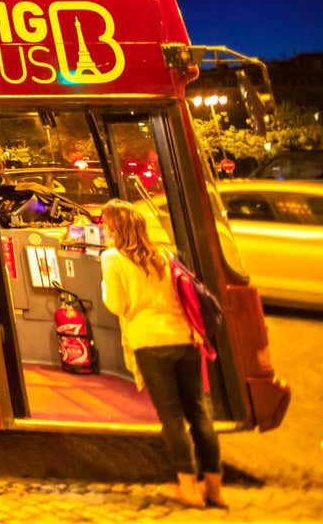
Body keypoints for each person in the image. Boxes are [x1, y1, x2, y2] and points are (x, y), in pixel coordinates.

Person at [100, 198, 222, 509]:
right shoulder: (163, 255)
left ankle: (187, 487)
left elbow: (117, 305)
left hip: (150, 343)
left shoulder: (112, 259)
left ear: (115, 227)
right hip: (183, 338)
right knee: (198, 412)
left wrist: (104, 284)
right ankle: (214, 488)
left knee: (171, 417)